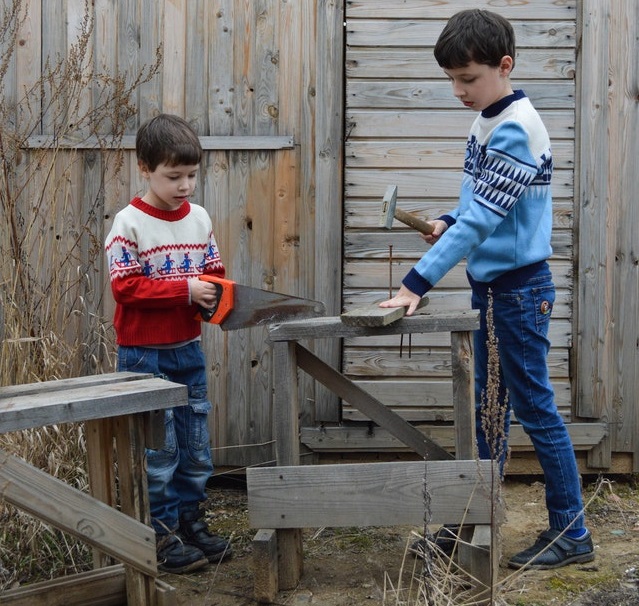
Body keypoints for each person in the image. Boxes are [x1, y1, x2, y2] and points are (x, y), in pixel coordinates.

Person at [380, 9, 594, 569]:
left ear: (505, 66)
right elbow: (477, 208)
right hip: (495, 290)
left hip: (519, 293)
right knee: (489, 414)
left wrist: (416, 282)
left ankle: (571, 533)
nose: (458, 91)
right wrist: (448, 220)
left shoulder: (518, 129)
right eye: (451, 79)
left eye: (467, 78)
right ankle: (471, 526)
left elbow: (485, 221)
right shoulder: (489, 119)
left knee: (535, 411)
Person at [105, 113, 232, 574]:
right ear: (144, 168)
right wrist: (185, 291)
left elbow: (212, 273)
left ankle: (189, 521)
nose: (185, 186)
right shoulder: (129, 222)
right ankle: (158, 532)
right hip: (144, 352)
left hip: (187, 347)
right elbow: (126, 288)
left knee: (194, 439)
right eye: (172, 176)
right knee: (159, 448)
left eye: (192, 175)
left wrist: (214, 298)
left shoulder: (199, 219)